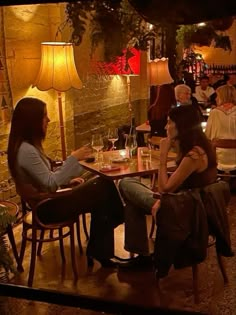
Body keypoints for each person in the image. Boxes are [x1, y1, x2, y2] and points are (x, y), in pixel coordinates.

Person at [7, 97, 124, 268]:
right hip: (47, 209)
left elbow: (46, 178)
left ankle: (101, 250)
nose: (48, 120)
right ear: (32, 121)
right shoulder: (26, 151)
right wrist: (73, 159)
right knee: (102, 185)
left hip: (49, 201)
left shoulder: (27, 146)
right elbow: (50, 183)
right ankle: (117, 219)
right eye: (44, 116)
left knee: (100, 191)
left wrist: (69, 179)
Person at [118, 105, 217, 270]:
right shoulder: (202, 147)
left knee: (126, 183)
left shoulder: (194, 155)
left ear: (182, 125)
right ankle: (142, 256)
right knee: (132, 199)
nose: (165, 127)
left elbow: (164, 188)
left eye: (169, 122)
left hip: (183, 210)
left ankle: (142, 257)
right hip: (186, 203)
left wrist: (163, 155)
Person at [205, 84, 236, 173]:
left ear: (222, 96)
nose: (215, 98)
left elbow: (207, 136)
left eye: (217, 96)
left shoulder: (214, 113)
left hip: (218, 158)